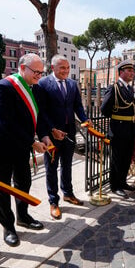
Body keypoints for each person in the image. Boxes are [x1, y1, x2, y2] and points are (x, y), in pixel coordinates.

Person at [0, 53, 48, 247]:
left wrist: (44, 135)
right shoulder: (3, 87)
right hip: (3, 147)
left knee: (24, 182)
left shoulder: (35, 89)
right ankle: (8, 226)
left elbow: (37, 117)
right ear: (22, 68)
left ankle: (22, 217)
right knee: (3, 187)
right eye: (36, 72)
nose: (39, 76)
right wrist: (32, 142)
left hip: (22, 147)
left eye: (41, 72)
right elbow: (6, 123)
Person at [34, 54, 89, 220]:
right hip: (51, 135)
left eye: (67, 67)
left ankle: (68, 193)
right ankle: (53, 202)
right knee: (51, 168)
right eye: (62, 68)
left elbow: (78, 106)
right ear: (53, 68)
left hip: (69, 132)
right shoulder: (42, 84)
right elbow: (41, 111)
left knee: (67, 165)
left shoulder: (73, 84)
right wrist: (51, 129)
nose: (66, 71)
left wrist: (85, 119)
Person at [100, 60, 135, 198]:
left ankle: (122, 182)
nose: (132, 73)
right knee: (116, 160)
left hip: (129, 129)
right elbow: (104, 109)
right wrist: (116, 117)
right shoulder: (114, 87)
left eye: (132, 71)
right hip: (118, 129)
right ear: (121, 72)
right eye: (129, 71)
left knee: (126, 159)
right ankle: (115, 186)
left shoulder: (130, 88)